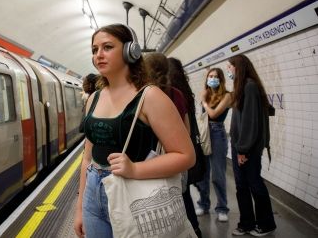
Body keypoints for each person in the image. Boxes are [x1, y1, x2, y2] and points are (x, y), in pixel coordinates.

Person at [73, 24, 195, 238]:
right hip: (93, 194)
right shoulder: (94, 99)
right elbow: (87, 158)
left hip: (134, 193)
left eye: (107, 47)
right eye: (94, 49)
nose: (99, 54)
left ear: (131, 51)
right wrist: (80, 208)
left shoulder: (150, 97)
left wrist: (135, 169)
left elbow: (186, 156)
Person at [145, 53, 203, 238]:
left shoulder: (145, 95)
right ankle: (193, 230)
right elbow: (185, 130)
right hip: (176, 160)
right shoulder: (177, 94)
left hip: (150, 160)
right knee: (181, 197)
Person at [228, 54, 276, 236]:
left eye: (230, 67)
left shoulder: (249, 87)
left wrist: (243, 150)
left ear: (238, 67)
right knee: (241, 185)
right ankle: (247, 223)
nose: (229, 70)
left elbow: (249, 122)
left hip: (247, 148)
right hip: (240, 145)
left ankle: (266, 224)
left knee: (255, 184)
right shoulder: (244, 86)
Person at [194, 67, 232, 222]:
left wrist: (203, 101)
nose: (212, 79)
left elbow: (214, 114)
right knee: (203, 173)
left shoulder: (227, 95)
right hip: (204, 133)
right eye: (210, 76)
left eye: (215, 76)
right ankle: (203, 204)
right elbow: (201, 116)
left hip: (217, 134)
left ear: (221, 79)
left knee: (218, 174)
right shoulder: (206, 93)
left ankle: (222, 208)